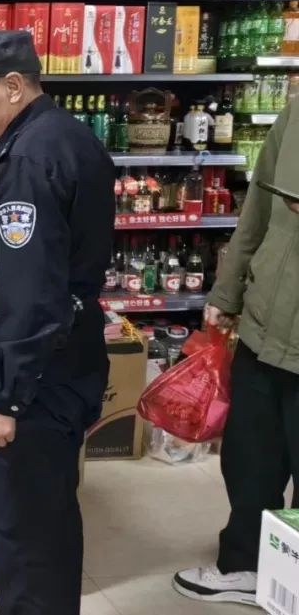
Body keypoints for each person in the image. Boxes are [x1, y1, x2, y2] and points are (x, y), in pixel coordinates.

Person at [0, 30, 114, 615]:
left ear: (13, 86)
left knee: (25, 526)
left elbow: (33, 294)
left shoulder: (31, 157)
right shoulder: (64, 137)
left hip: (36, 375)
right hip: (62, 357)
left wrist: (5, 396)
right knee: (45, 516)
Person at [173, 99, 299, 607]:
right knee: (250, 460)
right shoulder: (296, 114)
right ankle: (247, 565)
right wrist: (227, 294)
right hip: (264, 326)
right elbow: (257, 213)